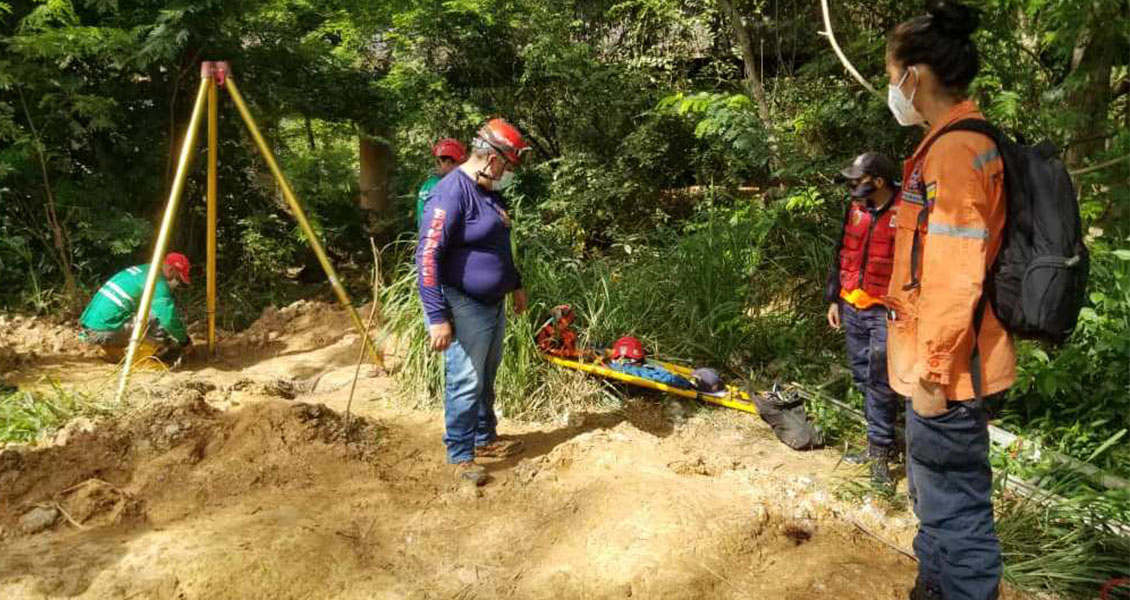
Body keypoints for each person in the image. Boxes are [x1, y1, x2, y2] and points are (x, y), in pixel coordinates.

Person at [883, 2, 1015, 599]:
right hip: (938, 370)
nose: (893, 90)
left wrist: (934, 375)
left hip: (949, 376)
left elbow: (954, 276)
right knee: (934, 508)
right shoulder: (949, 146)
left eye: (892, 77)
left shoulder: (956, 154)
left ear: (917, 76)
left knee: (957, 521)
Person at [416, 119, 530, 485]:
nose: (508, 173)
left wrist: (516, 284)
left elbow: (498, 245)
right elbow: (427, 256)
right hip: (463, 301)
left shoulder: (489, 191)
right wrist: (436, 316)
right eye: (508, 165)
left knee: (487, 373)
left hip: (493, 301)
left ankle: (485, 437)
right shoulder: (451, 193)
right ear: (491, 159)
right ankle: (461, 455)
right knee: (466, 379)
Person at [824, 151, 900, 489]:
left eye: (858, 180)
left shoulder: (907, 211)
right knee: (861, 377)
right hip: (851, 304)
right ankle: (880, 442)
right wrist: (833, 298)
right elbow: (842, 250)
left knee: (880, 383)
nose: (853, 185)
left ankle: (880, 452)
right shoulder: (855, 208)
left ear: (879, 181)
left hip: (885, 312)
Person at [79, 253, 192, 363]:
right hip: (103, 330)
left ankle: (114, 348)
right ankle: (142, 357)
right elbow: (168, 318)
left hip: (91, 326)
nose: (177, 283)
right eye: (178, 278)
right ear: (171, 270)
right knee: (158, 318)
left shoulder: (145, 270)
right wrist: (184, 341)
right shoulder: (158, 282)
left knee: (151, 316)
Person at [416, 138, 468, 229]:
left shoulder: (429, 184)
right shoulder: (441, 186)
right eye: (459, 164)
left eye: (438, 162)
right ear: (448, 163)